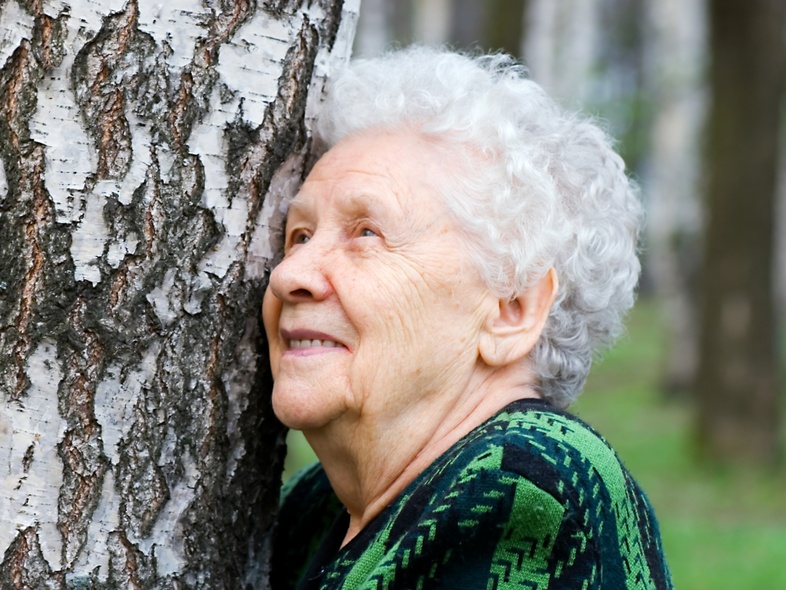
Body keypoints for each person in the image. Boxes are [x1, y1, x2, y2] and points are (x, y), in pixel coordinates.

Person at [264, 46, 672, 589]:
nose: (291, 274)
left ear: (511, 311)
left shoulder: (525, 489)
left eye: (367, 233)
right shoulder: (316, 505)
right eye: (300, 235)